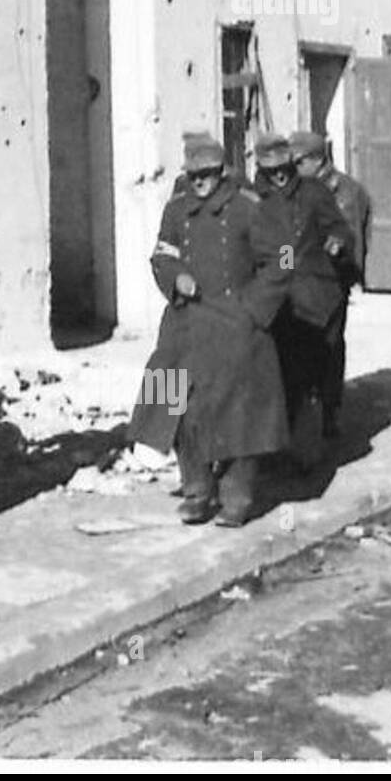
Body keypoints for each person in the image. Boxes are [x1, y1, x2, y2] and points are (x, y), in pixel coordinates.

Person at [129, 134, 291, 526]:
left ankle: (237, 496)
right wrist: (176, 277)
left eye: (207, 175)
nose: (200, 182)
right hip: (184, 321)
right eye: (194, 175)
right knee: (173, 402)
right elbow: (160, 256)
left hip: (236, 321)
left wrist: (253, 309)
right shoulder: (176, 210)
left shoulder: (250, 208)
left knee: (239, 411)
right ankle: (196, 490)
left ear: (221, 173)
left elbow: (284, 259)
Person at [252, 132, 354, 463]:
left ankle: (308, 445)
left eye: (284, 167)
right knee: (277, 371)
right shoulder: (251, 201)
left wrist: (336, 243)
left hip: (313, 292)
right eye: (270, 170)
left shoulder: (313, 193)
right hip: (268, 299)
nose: (279, 175)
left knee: (312, 368)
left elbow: (338, 228)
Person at [288, 131, 371, 437]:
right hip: (294, 286)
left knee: (325, 350)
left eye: (295, 163)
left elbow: (343, 246)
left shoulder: (342, 192)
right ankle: (155, 433)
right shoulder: (179, 211)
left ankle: (324, 415)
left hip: (326, 287)